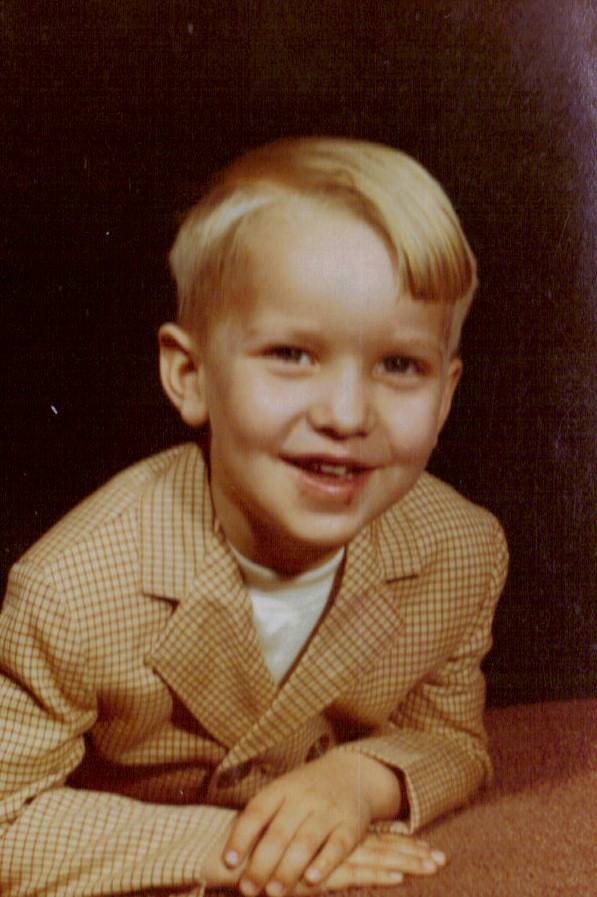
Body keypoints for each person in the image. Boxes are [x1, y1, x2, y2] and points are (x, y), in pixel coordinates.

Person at [0, 137, 508, 897]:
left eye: (399, 365)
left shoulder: (461, 549)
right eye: (292, 354)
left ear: (444, 396)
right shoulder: (72, 590)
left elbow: (450, 739)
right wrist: (236, 847)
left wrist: (357, 780)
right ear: (190, 375)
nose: (346, 414)